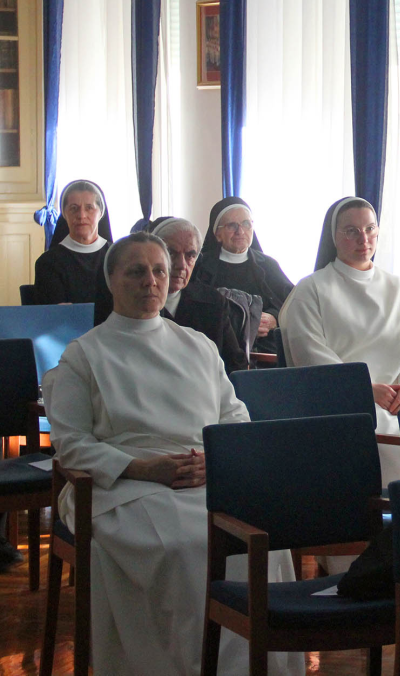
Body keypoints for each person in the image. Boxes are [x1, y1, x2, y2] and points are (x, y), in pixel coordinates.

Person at [41, 232, 301, 676]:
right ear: (112, 280)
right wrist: (145, 469)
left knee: (258, 542)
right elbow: (71, 445)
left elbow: (234, 416)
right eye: (136, 271)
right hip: (122, 484)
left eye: (159, 270)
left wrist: (216, 459)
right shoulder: (84, 355)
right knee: (183, 546)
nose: (151, 281)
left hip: (204, 476)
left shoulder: (198, 346)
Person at [279, 197, 400, 474]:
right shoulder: (311, 290)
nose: (364, 238)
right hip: (344, 407)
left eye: (370, 229)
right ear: (333, 237)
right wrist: (365, 389)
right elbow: (311, 355)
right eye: (352, 231)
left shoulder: (398, 288)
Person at [191, 197, 293, 353]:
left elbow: (292, 303)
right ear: (217, 233)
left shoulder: (268, 266)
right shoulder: (201, 267)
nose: (240, 231)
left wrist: (274, 318)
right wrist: (243, 326)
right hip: (216, 350)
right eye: (232, 225)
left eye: (246, 224)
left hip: (265, 352)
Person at [150, 217, 247, 373]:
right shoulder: (135, 302)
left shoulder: (213, 302)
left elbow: (235, 363)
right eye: (171, 253)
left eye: (190, 255)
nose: (181, 265)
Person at [33, 180, 113, 310]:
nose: (81, 216)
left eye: (89, 207)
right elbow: (55, 316)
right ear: (64, 214)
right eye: (74, 208)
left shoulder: (118, 257)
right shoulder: (48, 263)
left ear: (101, 213)